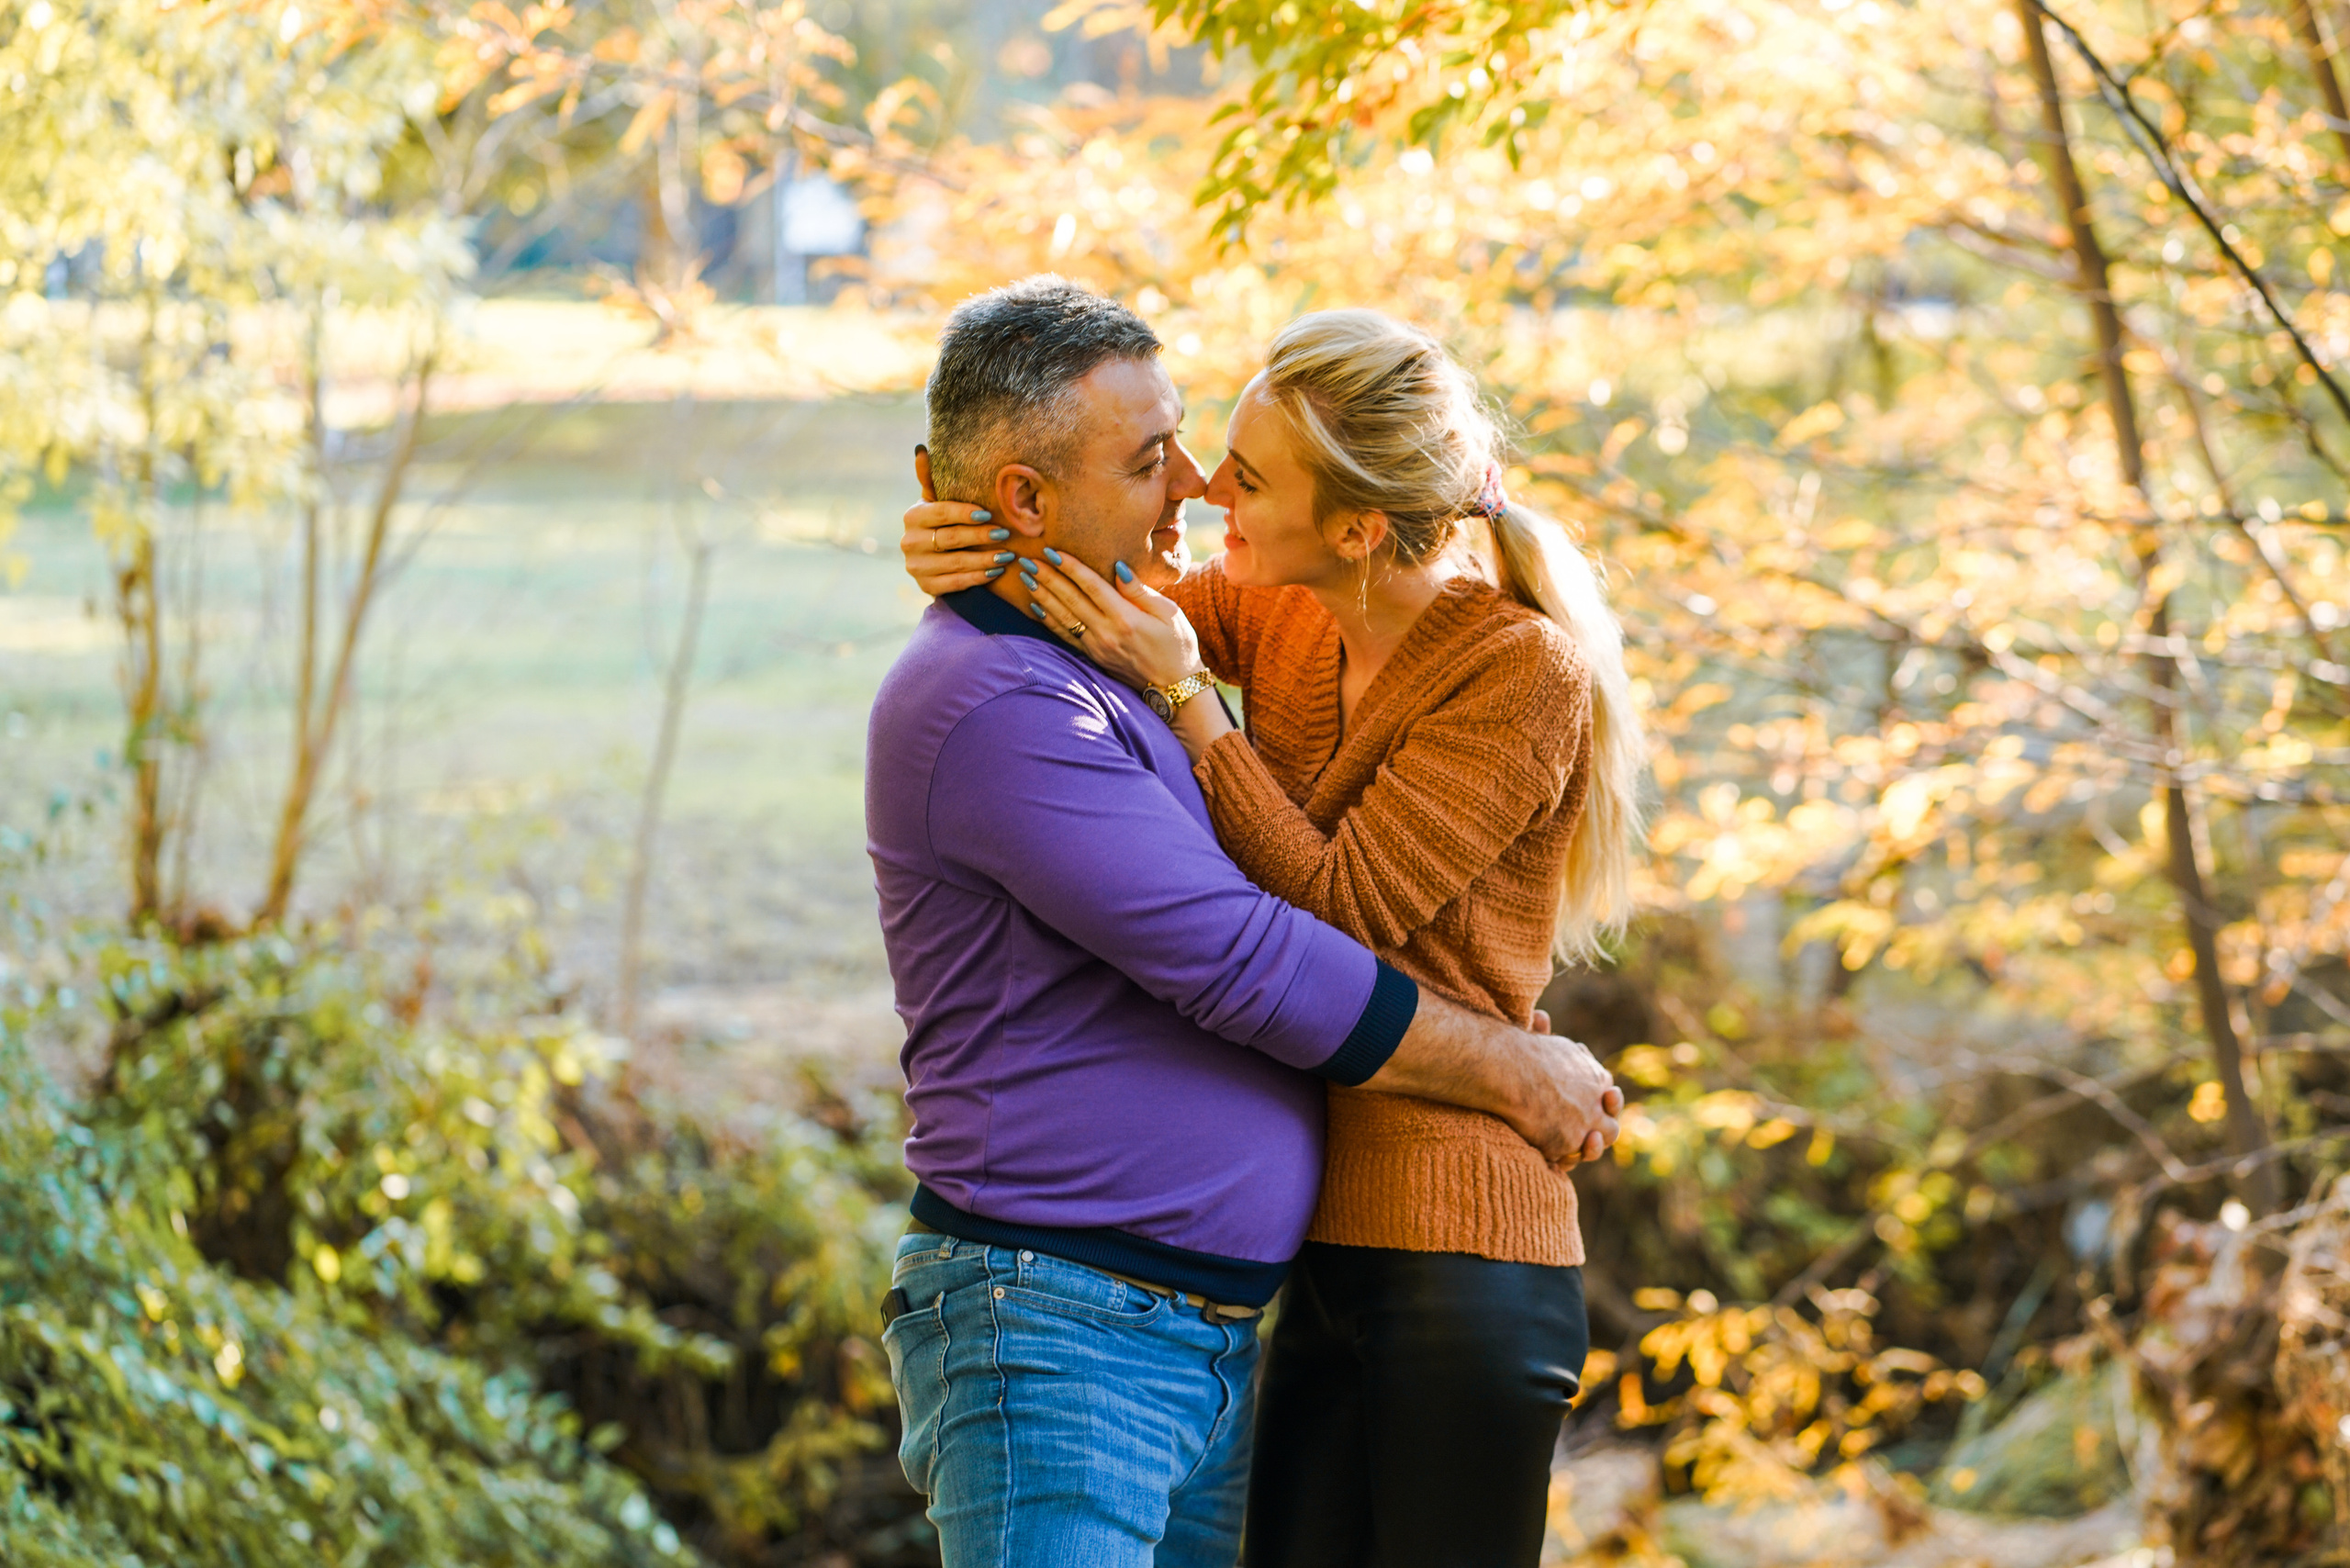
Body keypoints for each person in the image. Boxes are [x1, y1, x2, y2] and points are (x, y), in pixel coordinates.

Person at [867, 275, 1624, 1568]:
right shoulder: (1239, 625)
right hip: (1202, 1293)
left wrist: (1186, 702)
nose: (1207, 491)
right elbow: (1085, 599)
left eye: (1242, 476)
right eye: (1179, 458)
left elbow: (1331, 905)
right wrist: (971, 539)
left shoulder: (1510, 669)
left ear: (1359, 532)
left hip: (1434, 1243)